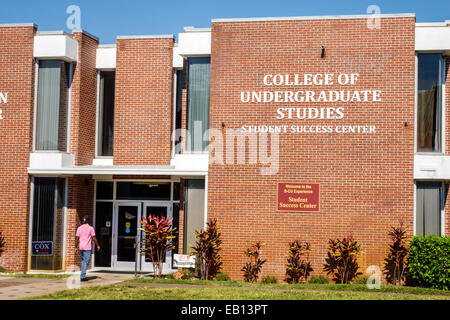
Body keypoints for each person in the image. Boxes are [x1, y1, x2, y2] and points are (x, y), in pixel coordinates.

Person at [76, 215, 100, 281]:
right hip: (87, 247)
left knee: (84, 261)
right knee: (85, 261)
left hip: (81, 247)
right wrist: (98, 245)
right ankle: (82, 276)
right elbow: (94, 238)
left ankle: (82, 275)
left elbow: (77, 238)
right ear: (88, 221)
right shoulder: (90, 228)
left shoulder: (79, 228)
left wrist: (76, 246)